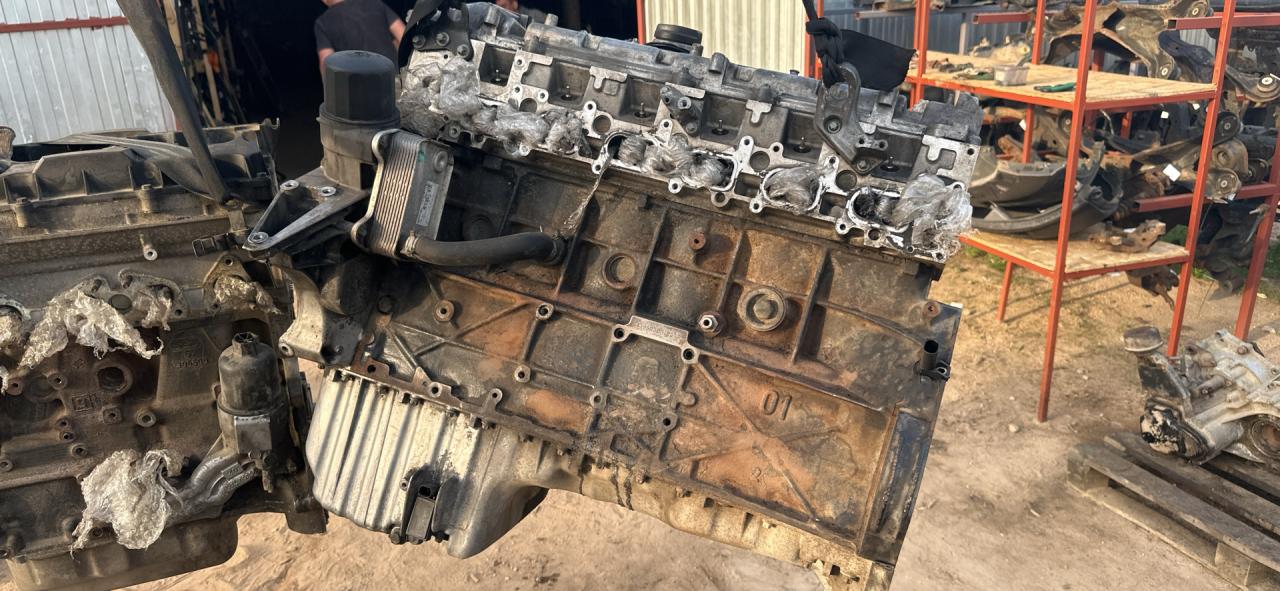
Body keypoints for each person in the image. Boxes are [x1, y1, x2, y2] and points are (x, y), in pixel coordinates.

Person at [315, 0, 406, 70]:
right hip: (394, 78)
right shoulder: (375, 3)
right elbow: (402, 35)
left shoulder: (323, 22)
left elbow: (326, 62)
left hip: (359, 85)